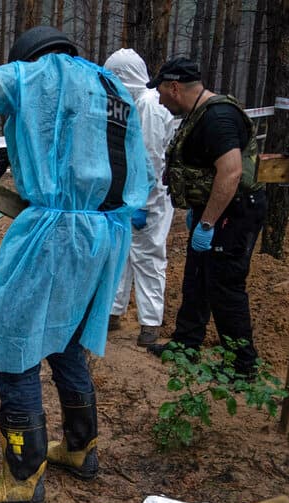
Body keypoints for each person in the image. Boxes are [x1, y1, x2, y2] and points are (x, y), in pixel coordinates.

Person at [0, 26, 150, 503]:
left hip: (51, 232)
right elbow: (139, 169)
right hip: (104, 233)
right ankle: (80, 448)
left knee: (18, 339)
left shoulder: (31, 75)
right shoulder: (112, 87)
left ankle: (22, 475)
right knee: (68, 339)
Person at [144, 56, 265, 374]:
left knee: (225, 285)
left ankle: (242, 365)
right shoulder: (199, 115)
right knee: (196, 280)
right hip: (214, 211)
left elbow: (231, 172)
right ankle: (186, 346)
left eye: (161, 91)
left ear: (174, 87)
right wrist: (200, 214)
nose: (158, 98)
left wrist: (208, 222)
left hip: (233, 214)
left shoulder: (218, 118)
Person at [104, 49, 176, 347]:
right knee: (122, 256)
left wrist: (143, 204)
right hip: (132, 196)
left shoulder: (148, 105)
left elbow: (151, 159)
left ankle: (149, 324)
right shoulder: (134, 104)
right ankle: (113, 312)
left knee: (148, 258)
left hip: (152, 199)